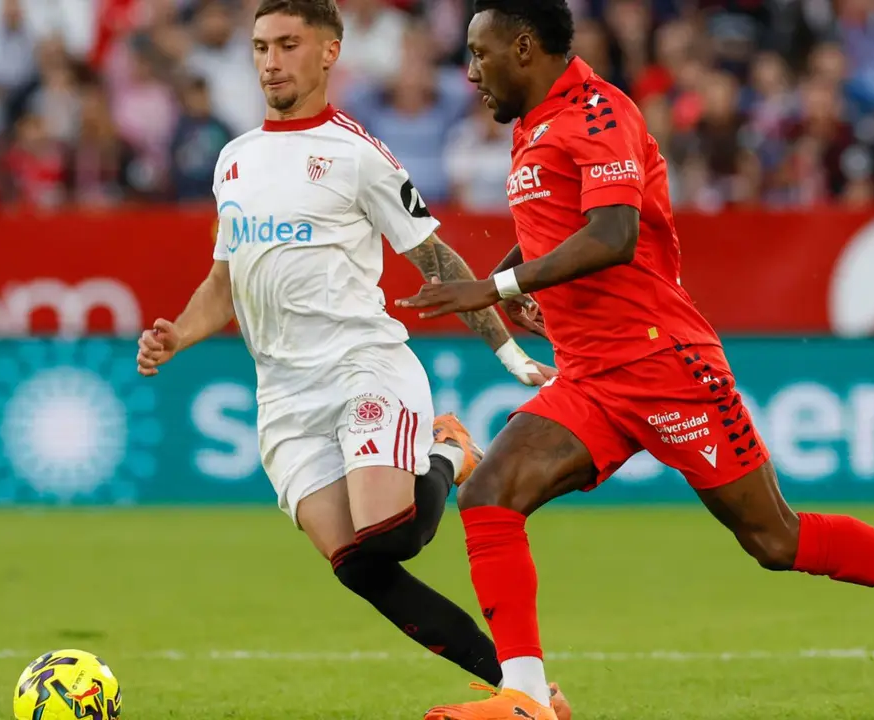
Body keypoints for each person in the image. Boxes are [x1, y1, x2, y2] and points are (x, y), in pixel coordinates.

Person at [399, 2, 874, 718]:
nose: (469, 72)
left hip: (664, 363)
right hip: (592, 376)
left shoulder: (599, 113)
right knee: (490, 496)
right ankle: (526, 697)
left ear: (523, 47)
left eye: (479, 54)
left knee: (774, 539)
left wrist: (497, 286)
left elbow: (613, 235)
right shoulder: (531, 124)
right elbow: (557, 225)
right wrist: (518, 277)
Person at [133, 3, 571, 715]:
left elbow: (438, 259)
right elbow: (224, 279)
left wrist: (510, 353)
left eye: (287, 44)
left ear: (329, 52)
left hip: (360, 367)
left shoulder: (356, 153)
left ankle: (446, 451)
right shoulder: (234, 158)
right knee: (358, 567)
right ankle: (522, 694)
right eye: (260, 47)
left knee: (390, 533)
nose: (270, 61)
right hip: (282, 397)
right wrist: (179, 334)